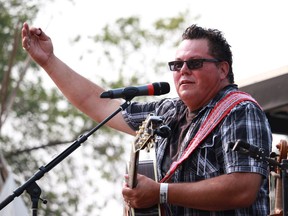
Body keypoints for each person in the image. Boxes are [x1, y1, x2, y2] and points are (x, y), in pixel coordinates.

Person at [22, 22, 272, 215]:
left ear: (222, 69)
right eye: (177, 65)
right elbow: (99, 103)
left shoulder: (239, 110)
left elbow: (243, 188)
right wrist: (49, 61)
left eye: (194, 63)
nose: (183, 70)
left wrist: (161, 193)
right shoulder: (168, 113)